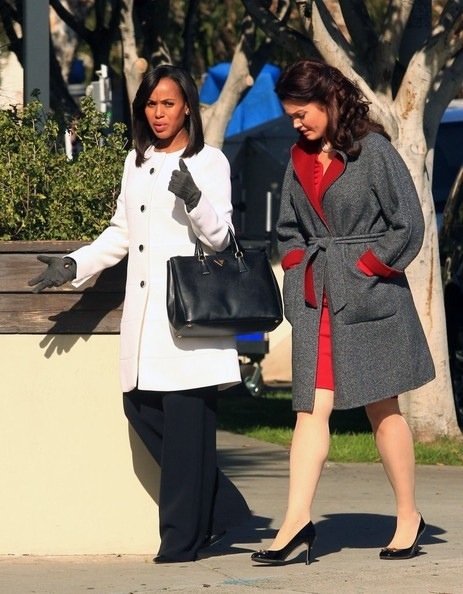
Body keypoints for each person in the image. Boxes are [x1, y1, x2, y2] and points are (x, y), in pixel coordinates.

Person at [29, 64, 249, 563]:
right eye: (151, 104)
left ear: (187, 106)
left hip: (189, 323)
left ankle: (181, 541)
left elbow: (222, 239)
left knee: (187, 432)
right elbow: (121, 233)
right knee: (140, 410)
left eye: (168, 103)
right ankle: (225, 511)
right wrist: (75, 264)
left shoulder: (209, 161)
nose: (159, 113)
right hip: (146, 322)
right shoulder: (136, 161)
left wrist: (194, 198)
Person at [250, 59, 435, 566]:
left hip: (370, 299)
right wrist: (297, 271)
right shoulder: (298, 158)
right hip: (318, 301)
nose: (296, 124)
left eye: (301, 113)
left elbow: (408, 223)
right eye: (290, 116)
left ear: (329, 100)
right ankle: (296, 522)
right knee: (309, 408)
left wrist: (367, 266)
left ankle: (408, 517)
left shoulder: (374, 152)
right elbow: (288, 229)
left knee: (382, 408)